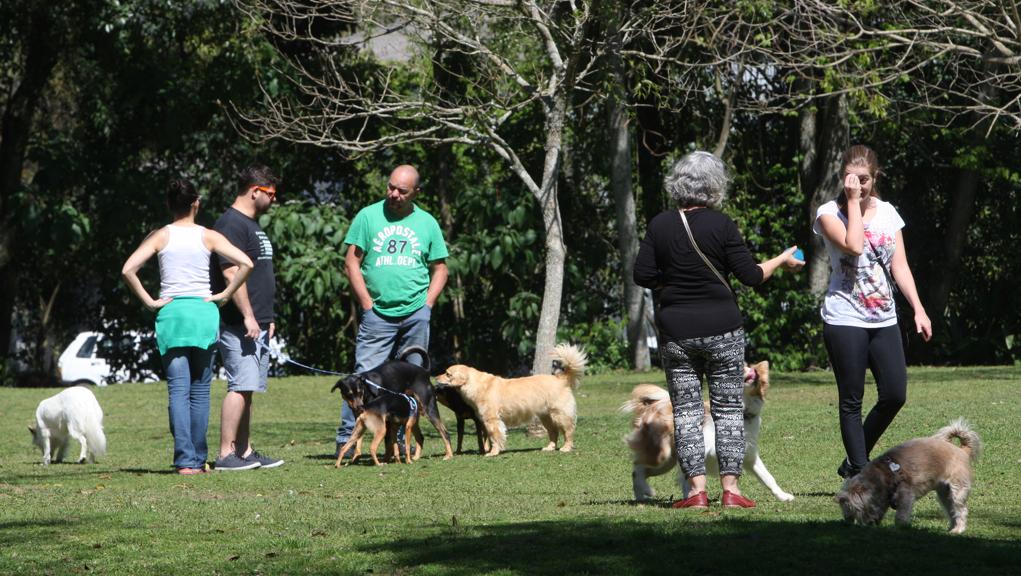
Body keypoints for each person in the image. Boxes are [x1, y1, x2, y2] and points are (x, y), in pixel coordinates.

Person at [633, 151, 803, 509]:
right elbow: (751, 276)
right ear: (714, 186)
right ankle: (731, 491)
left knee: (687, 412)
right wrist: (782, 260)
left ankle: (695, 493)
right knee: (727, 410)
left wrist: (676, 279)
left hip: (676, 332)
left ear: (677, 184)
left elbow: (642, 275)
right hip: (722, 329)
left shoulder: (660, 225)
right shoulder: (722, 225)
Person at [814, 144, 932, 479]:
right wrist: (852, 202)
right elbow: (854, 244)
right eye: (852, 178)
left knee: (895, 394)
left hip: (884, 317)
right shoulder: (828, 213)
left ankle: (855, 461)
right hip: (844, 317)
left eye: (864, 179)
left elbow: (900, 266)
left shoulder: (888, 212)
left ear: (875, 176)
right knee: (851, 399)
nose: (859, 184)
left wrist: (918, 309)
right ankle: (860, 476)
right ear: (842, 177)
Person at [121, 178, 254, 475]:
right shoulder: (208, 236)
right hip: (203, 314)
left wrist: (150, 302)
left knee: (178, 391)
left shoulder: (160, 236)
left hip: (171, 315)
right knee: (200, 391)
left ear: (169, 204)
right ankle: (198, 458)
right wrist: (224, 295)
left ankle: (185, 460)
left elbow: (128, 269)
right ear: (197, 202)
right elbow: (246, 263)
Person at [335, 164, 449, 454]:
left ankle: (400, 441)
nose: (394, 194)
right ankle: (347, 441)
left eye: (402, 190)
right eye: (391, 187)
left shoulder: (427, 223)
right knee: (361, 376)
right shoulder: (368, 216)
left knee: (411, 380)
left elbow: (440, 268)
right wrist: (366, 304)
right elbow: (351, 262)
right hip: (378, 315)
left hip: (415, 315)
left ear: (416, 193)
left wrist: (428, 305)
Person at [210, 165, 285, 471]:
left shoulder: (250, 224)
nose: (274, 201)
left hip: (258, 322)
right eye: (271, 194)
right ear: (255, 191)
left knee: (248, 387)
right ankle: (225, 454)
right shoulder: (231, 224)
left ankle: (244, 450)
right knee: (239, 385)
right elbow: (231, 273)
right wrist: (249, 316)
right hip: (240, 322)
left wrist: (267, 317)